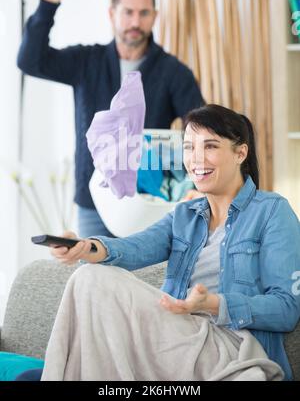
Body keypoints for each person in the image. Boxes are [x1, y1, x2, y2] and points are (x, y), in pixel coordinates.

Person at [16, 104, 300, 381]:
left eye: (210, 146)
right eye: (189, 147)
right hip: (176, 339)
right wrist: (85, 246)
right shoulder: (184, 215)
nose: (196, 159)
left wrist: (214, 303)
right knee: (89, 275)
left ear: (240, 153)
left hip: (230, 346)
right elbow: (134, 247)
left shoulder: (272, 211)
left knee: (90, 280)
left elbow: (286, 308)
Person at [17, 0, 205, 237]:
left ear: (154, 16)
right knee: (93, 278)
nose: (135, 21)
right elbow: (31, 61)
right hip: (92, 202)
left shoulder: (173, 72)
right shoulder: (86, 61)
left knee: (143, 279)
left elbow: (200, 129)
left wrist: (192, 184)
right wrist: (47, 5)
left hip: (149, 202)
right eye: (127, 12)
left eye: (143, 13)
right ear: (112, 14)